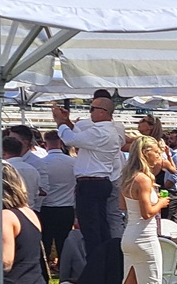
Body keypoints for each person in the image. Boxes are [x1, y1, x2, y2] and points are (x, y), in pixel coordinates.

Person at [88, 137, 172, 284]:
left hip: (130, 235)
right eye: (156, 152)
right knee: (152, 283)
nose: (159, 156)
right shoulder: (143, 179)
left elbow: (123, 205)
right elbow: (147, 213)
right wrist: (161, 203)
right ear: (146, 154)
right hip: (144, 236)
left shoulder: (128, 177)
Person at [53, 97, 124, 257]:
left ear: (102, 112)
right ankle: (104, 262)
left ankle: (95, 264)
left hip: (91, 183)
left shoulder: (100, 131)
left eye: (92, 109)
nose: (90, 112)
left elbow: (71, 139)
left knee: (91, 229)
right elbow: (81, 137)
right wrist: (68, 122)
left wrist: (60, 122)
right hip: (99, 181)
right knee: (101, 226)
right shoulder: (106, 131)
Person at [38, 130, 76, 266]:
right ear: (61, 142)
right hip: (66, 208)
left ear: (44, 144)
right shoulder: (72, 162)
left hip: (47, 208)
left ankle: (44, 269)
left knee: (45, 242)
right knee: (64, 242)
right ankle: (65, 268)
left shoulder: (41, 163)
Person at [2, 136, 42, 210]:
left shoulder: (3, 170)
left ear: (4, 153)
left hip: (9, 212)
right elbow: (36, 194)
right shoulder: (33, 170)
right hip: (30, 211)